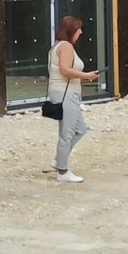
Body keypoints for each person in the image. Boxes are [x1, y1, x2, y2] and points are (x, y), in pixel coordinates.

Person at [49, 15, 99, 183]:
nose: (81, 32)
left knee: (80, 129)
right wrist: (87, 76)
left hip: (66, 92)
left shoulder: (58, 45)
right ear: (72, 31)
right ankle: (62, 172)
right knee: (68, 132)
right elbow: (65, 70)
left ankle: (59, 160)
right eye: (78, 29)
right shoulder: (66, 47)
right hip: (66, 93)